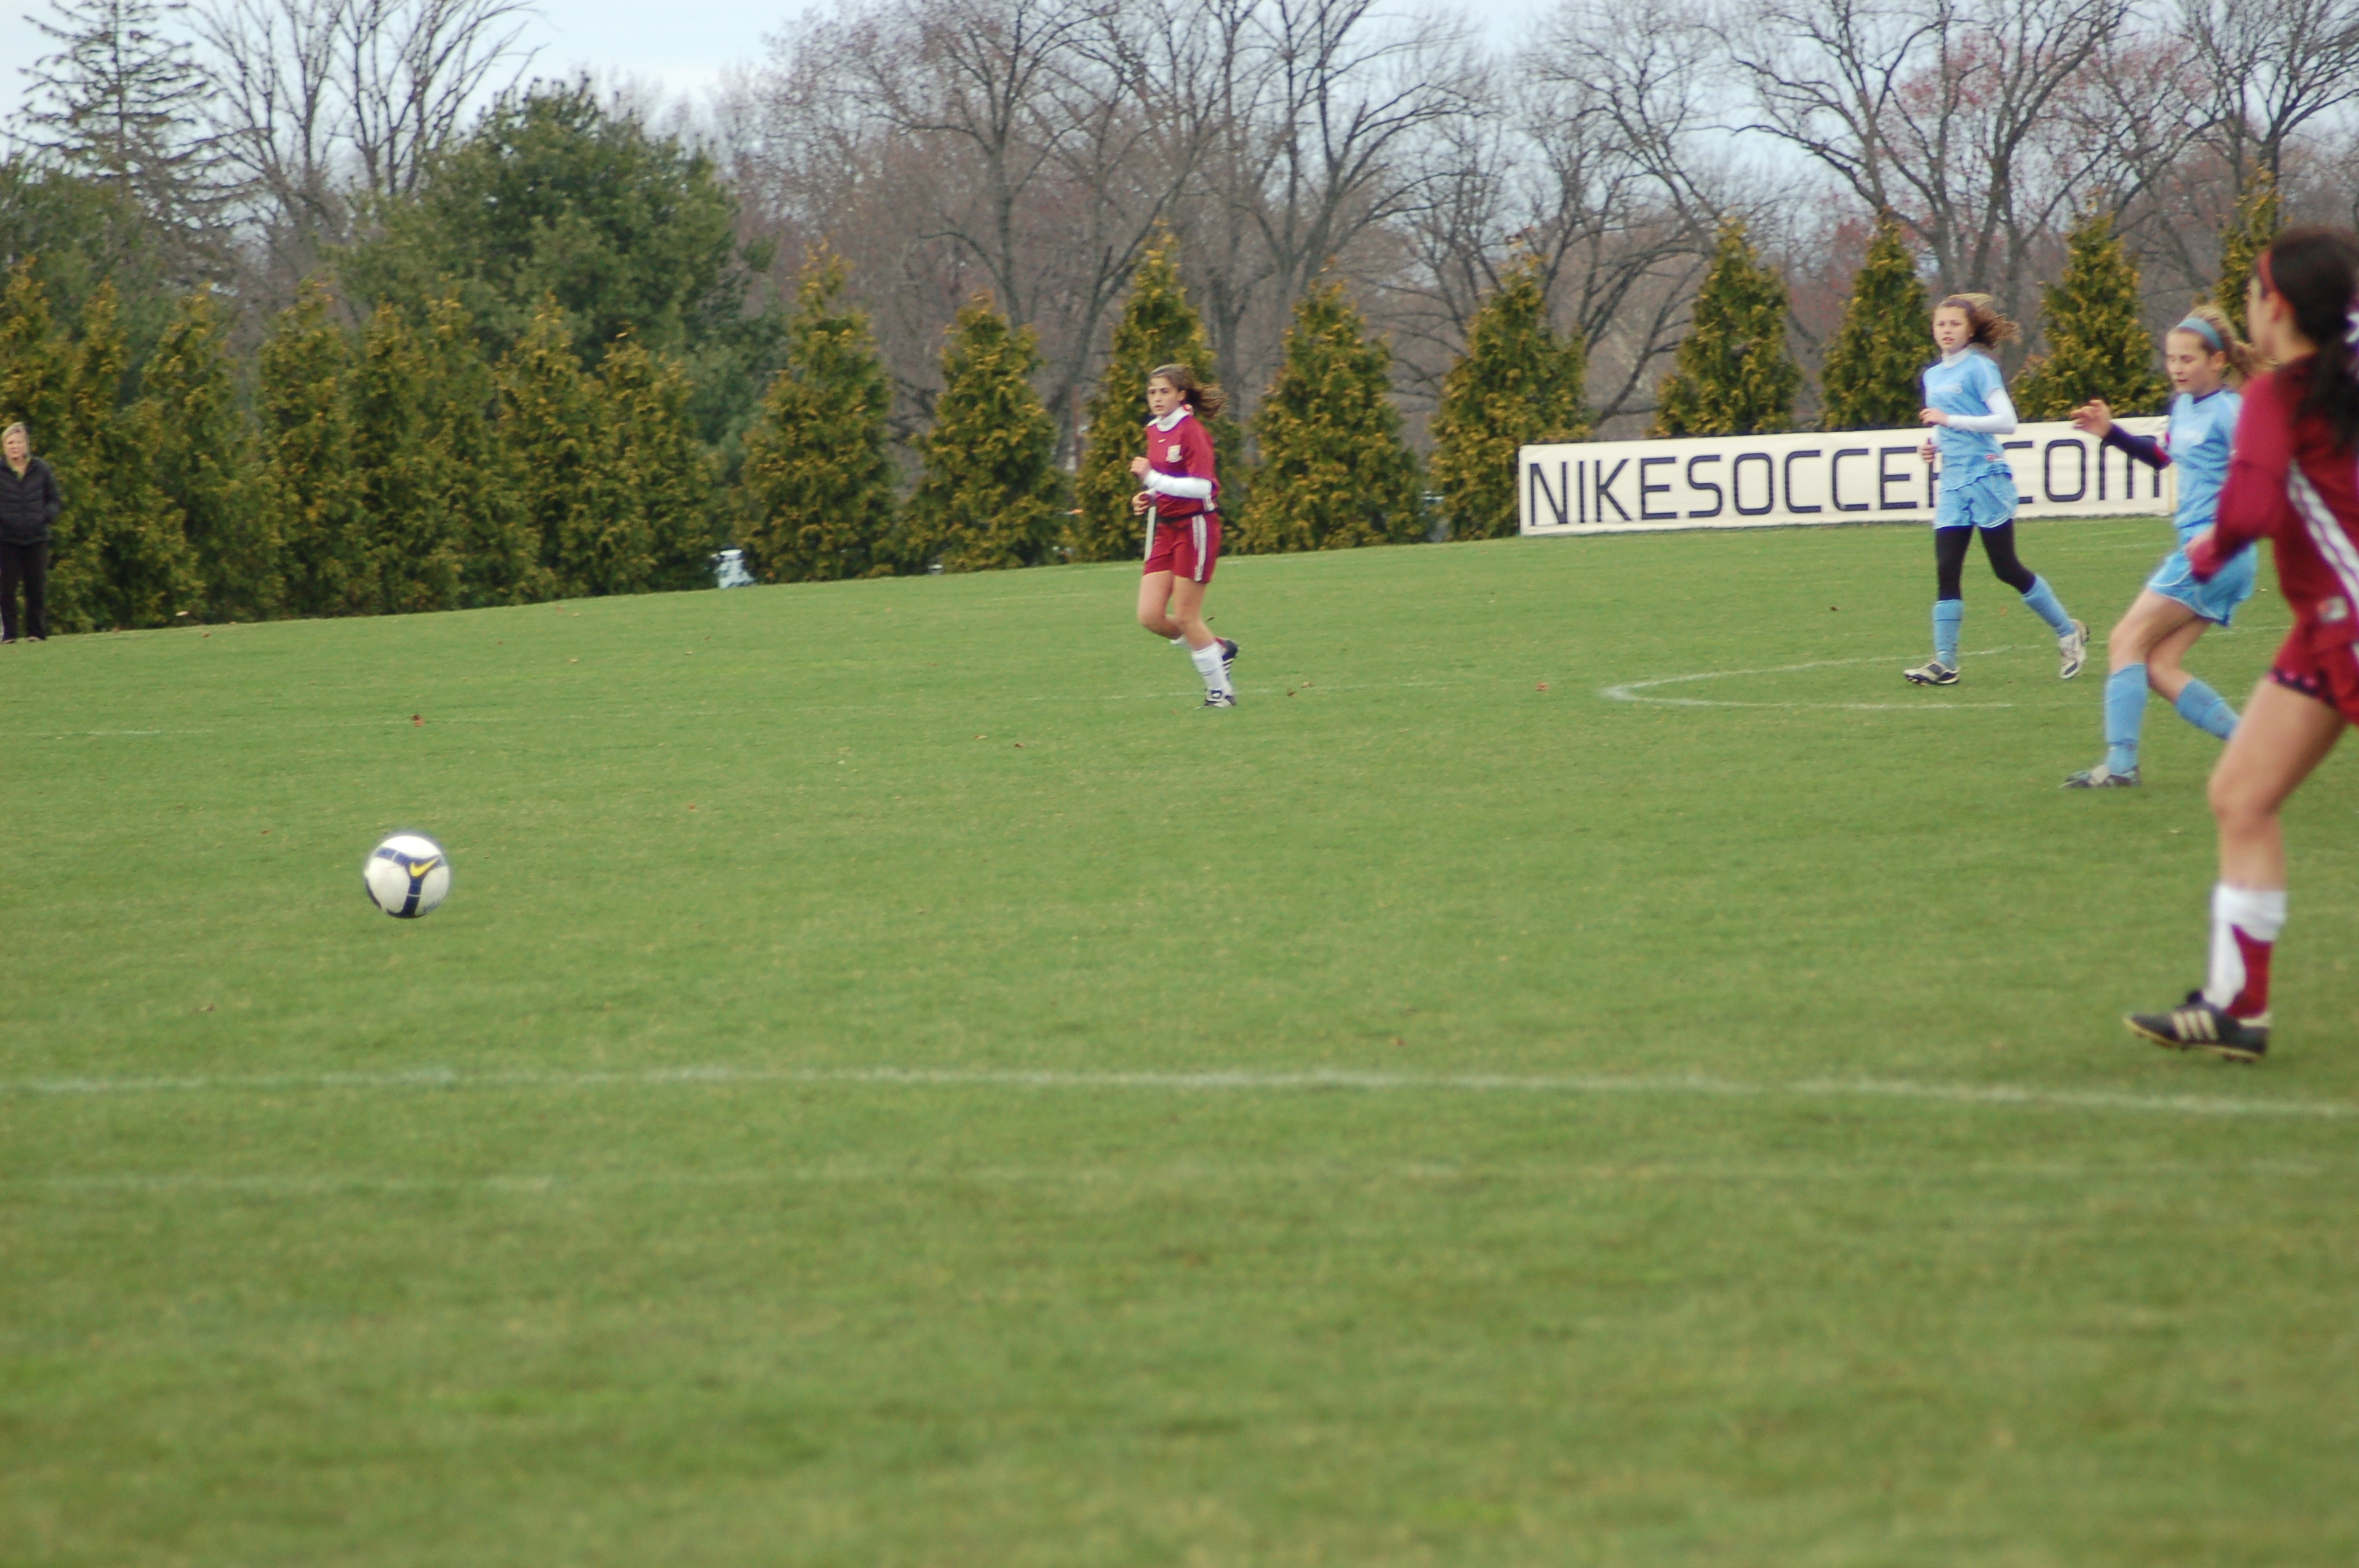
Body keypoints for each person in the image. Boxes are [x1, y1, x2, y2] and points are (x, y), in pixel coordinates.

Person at [2126, 226, 2359, 1062]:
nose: (2247, 306)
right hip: (2321, 629)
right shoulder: (2330, 381)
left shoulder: (2278, 395)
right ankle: (2236, 1007)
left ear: (2278, 308)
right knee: (2239, 794)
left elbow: (2252, 509)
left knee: (2241, 797)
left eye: (2254, 291)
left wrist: (2208, 549)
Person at [2063, 303, 2263, 787]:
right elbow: (2161, 457)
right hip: (2209, 552)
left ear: (2218, 361)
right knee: (2157, 664)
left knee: (2124, 641)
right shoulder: (2185, 406)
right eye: (2171, 358)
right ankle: (2254, 748)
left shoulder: (2232, 412)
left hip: (2216, 551)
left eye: (2187, 359)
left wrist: (2221, 532)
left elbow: (2258, 481)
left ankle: (2120, 767)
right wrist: (2110, 432)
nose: (2176, 367)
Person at [1905, 294, 2089, 687]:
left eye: (1955, 324)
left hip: (1986, 476)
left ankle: (2067, 631)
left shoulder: (1980, 368)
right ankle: (1945, 663)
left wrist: (1949, 420)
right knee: (1946, 570)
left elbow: (2007, 421)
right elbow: (1943, 426)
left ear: (1970, 330)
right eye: (1940, 324)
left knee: (2005, 568)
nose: (1947, 330)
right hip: (1952, 482)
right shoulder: (1932, 376)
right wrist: (1933, 443)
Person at [1131, 364, 1238, 708]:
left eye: (1164, 391)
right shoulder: (1154, 430)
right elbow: (1169, 479)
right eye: (1152, 392)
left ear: (1181, 395)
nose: (1157, 398)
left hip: (1196, 527)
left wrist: (1152, 480)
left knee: (1187, 616)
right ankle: (1217, 649)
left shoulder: (1192, 431)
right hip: (1167, 528)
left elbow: (1203, 487)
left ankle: (1221, 694)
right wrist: (1150, 496)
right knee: (1150, 616)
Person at [0, 422, 60, 644]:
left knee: (35, 587)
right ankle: (10, 634)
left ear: (26, 445)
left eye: (18, 442)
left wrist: (44, 517)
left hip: (37, 538)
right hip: (7, 539)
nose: (14, 447)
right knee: (7, 589)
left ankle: (36, 632)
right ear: (4, 446)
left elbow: (55, 499)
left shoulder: (41, 469)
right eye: (10, 443)